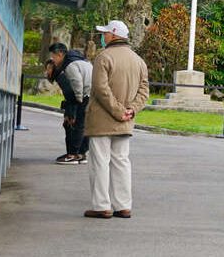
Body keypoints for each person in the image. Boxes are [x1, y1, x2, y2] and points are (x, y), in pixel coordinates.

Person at [84, 20, 149, 219]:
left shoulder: (103, 57)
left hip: (102, 121)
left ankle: (102, 205)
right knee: (121, 161)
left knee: (100, 162)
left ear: (113, 34)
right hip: (125, 122)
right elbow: (144, 91)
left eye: (105, 33)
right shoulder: (138, 60)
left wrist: (117, 111)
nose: (103, 37)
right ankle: (123, 205)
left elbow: (100, 89)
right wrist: (130, 110)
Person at [48, 42, 93, 164]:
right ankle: (81, 154)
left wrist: (78, 101)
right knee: (84, 125)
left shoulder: (70, 65)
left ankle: (73, 154)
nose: (52, 59)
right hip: (92, 94)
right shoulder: (80, 60)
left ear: (61, 54)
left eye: (53, 56)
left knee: (78, 125)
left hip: (86, 95)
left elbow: (77, 83)